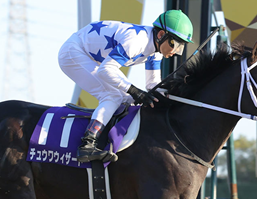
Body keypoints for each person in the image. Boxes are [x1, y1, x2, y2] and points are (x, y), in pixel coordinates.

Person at [58, 10, 193, 163]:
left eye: (181, 47)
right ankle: (87, 145)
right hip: (74, 52)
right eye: (174, 44)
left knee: (129, 99)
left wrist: (175, 96)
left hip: (93, 57)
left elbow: (152, 85)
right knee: (113, 96)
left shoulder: (155, 51)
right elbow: (106, 70)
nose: (176, 52)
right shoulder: (137, 42)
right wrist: (135, 91)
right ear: (161, 35)